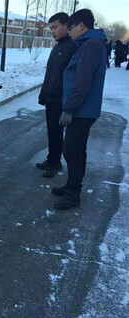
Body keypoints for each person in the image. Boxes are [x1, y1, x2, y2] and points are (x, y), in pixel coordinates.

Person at [52, 9, 108, 210]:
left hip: (82, 111)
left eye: (71, 27)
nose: (69, 31)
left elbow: (82, 82)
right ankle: (71, 185)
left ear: (82, 26)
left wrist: (69, 109)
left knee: (71, 151)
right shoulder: (89, 44)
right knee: (78, 151)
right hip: (83, 109)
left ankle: (73, 194)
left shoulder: (91, 45)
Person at [36, 12, 75, 178]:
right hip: (51, 98)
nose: (52, 31)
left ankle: (55, 163)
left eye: (55, 27)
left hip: (61, 100)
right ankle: (51, 159)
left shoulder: (72, 47)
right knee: (51, 131)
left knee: (56, 132)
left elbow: (73, 77)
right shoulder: (57, 47)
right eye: (50, 28)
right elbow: (50, 74)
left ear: (66, 26)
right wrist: (43, 93)